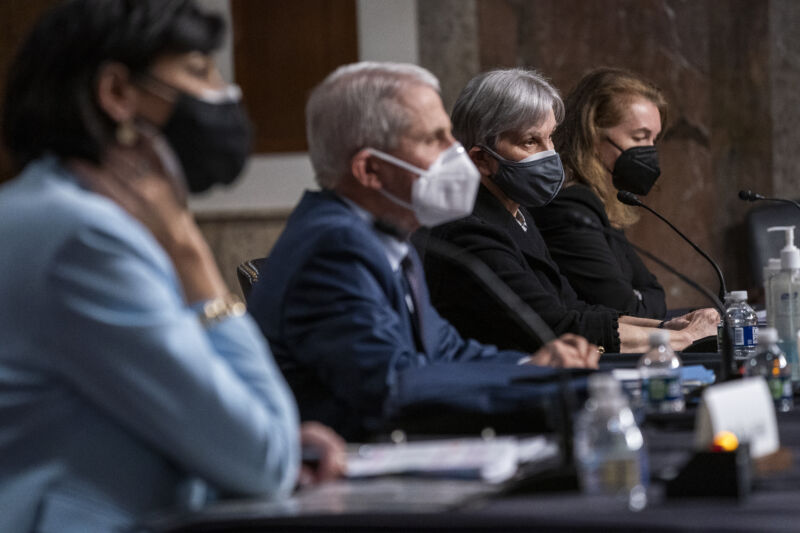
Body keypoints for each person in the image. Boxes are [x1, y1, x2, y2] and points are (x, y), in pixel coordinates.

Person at [0, 1, 342, 532]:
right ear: (116, 92)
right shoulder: (85, 237)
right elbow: (264, 463)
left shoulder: (46, 208)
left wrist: (267, 437)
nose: (224, 92)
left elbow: (117, 410)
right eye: (198, 70)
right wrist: (191, 252)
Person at [247, 61, 601, 441]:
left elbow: (446, 349)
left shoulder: (386, 232)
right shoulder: (332, 248)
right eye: (434, 139)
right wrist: (532, 379)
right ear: (370, 170)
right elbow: (390, 384)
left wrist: (532, 366)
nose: (457, 152)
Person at [422, 68, 717, 355]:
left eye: (550, 137)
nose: (550, 153)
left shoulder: (517, 213)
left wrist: (668, 327)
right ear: (482, 159)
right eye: (530, 141)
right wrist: (685, 338)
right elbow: (557, 327)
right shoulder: (470, 230)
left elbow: (572, 306)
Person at [531, 67, 668, 318]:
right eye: (639, 137)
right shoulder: (569, 208)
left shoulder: (603, 201)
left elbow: (653, 290)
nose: (650, 152)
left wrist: (640, 296)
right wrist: (638, 297)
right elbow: (628, 310)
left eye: (654, 140)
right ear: (592, 134)